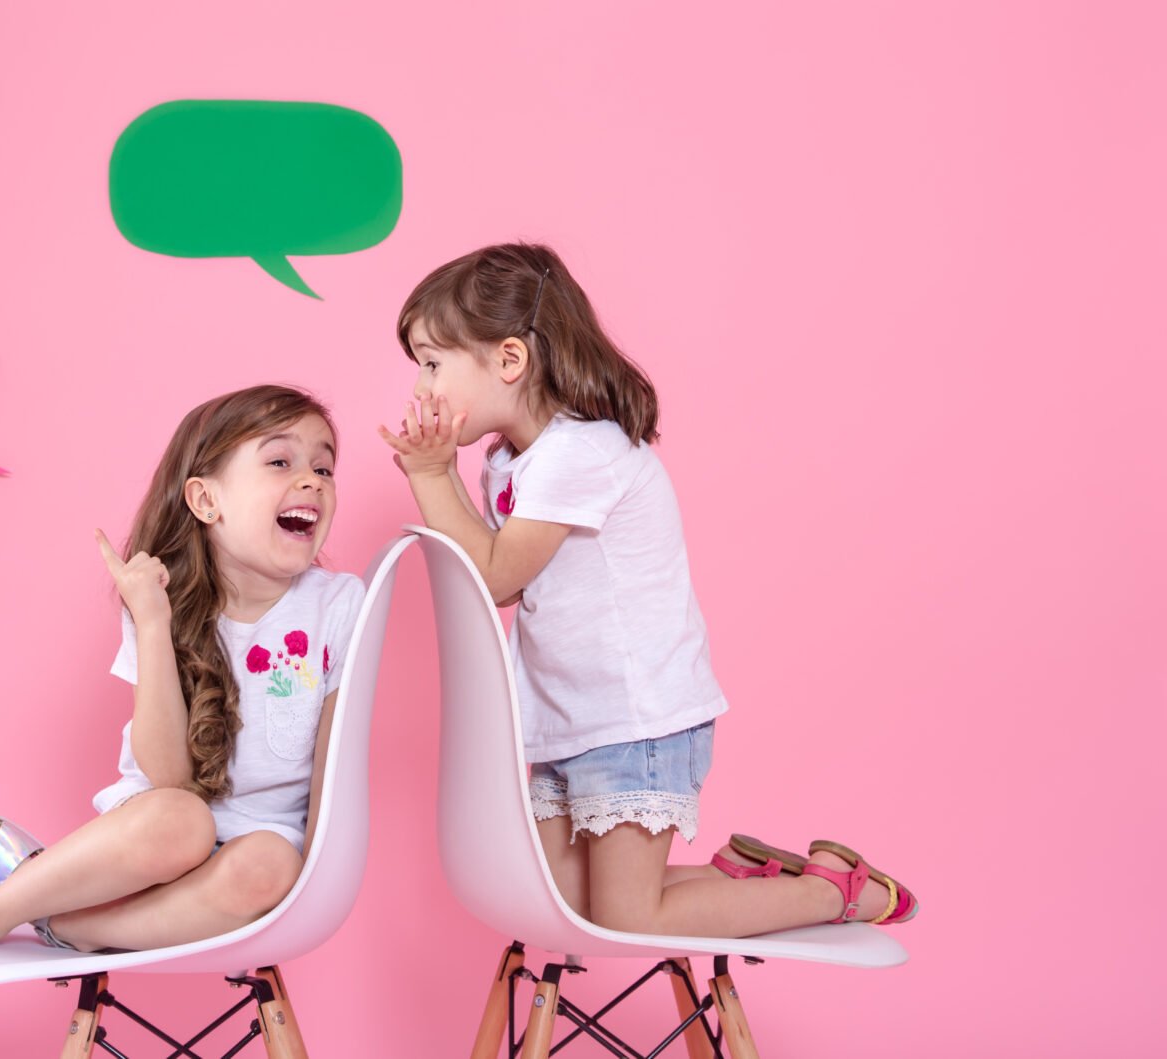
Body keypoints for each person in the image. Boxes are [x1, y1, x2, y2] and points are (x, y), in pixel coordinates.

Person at [380, 243, 916, 935]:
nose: (421, 387)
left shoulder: (582, 452)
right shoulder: (511, 461)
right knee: (567, 905)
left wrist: (428, 475)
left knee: (628, 916)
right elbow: (498, 575)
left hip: (636, 718)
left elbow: (494, 574)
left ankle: (837, 892)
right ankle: (746, 879)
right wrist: (446, 472)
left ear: (509, 360)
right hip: (572, 714)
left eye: (432, 363)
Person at [0, 384, 365, 968]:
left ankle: (67, 921)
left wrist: (319, 872)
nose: (313, 480)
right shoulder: (164, 601)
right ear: (205, 499)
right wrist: (151, 623)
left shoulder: (341, 605)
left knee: (271, 863)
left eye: (324, 466)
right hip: (154, 839)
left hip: (255, 853)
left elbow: (333, 766)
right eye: (281, 461)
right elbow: (168, 774)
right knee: (183, 820)